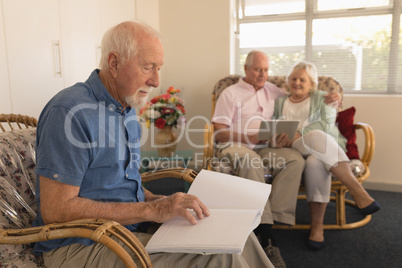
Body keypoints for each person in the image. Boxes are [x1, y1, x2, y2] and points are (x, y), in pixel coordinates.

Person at [32, 21, 274, 267]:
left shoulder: (126, 108)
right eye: (148, 67)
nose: (156, 81)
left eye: (159, 68)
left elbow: (120, 184)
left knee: (236, 237)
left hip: (124, 228)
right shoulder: (70, 111)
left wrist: (157, 201)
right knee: (222, 256)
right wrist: (150, 211)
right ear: (114, 63)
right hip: (79, 244)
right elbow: (57, 209)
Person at [211, 50, 340, 267]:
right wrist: (246, 136)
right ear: (246, 69)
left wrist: (334, 99)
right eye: (257, 69)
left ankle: (277, 218)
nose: (262, 75)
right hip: (236, 145)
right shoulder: (230, 93)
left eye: (266, 70)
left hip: (266, 146)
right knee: (251, 163)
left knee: (295, 160)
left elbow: (302, 93)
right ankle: (266, 233)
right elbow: (219, 132)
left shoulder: (273, 90)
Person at [273, 61, 380, 250]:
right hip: (292, 149)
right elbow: (274, 125)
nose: (297, 82)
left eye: (302, 79)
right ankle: (356, 190)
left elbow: (326, 125)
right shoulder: (280, 101)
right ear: (288, 81)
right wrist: (282, 136)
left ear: (312, 83)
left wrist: (299, 133)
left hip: (323, 149)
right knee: (313, 136)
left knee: (316, 161)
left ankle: (317, 226)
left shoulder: (324, 97)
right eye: (293, 78)